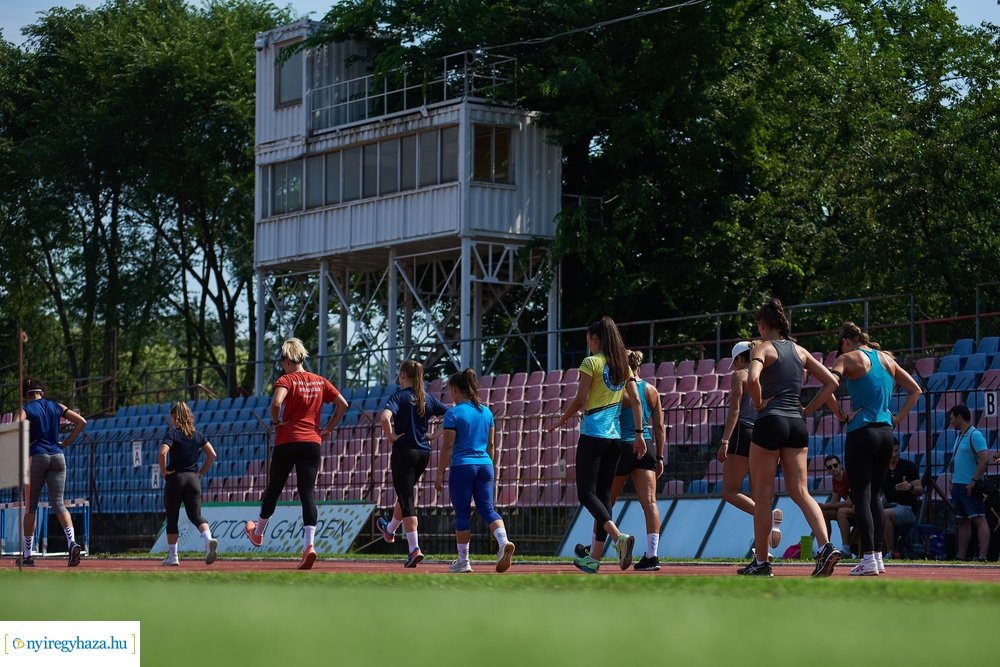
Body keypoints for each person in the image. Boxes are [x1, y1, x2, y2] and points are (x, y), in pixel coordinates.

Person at [741, 298, 841, 577]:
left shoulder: (763, 348)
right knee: (801, 492)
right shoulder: (800, 351)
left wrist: (758, 403)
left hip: (770, 421)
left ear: (763, 325)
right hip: (796, 423)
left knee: (762, 498)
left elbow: (752, 379)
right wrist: (808, 409)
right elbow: (832, 382)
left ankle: (762, 562)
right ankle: (825, 546)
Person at [548, 316, 645, 574]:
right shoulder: (622, 364)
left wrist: (560, 420)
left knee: (586, 494)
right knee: (603, 497)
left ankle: (618, 537)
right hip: (615, 439)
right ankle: (594, 559)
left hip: (593, 434)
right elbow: (636, 400)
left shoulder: (591, 362)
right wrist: (639, 434)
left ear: (595, 339)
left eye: (589, 341)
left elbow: (581, 399)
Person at [825, 322, 922, 575]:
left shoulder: (846, 358)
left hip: (862, 432)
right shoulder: (886, 358)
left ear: (845, 341)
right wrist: (897, 418)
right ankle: (877, 558)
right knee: (875, 498)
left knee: (861, 497)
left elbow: (828, 385)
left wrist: (840, 413)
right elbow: (916, 390)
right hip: (886, 433)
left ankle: (868, 558)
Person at [244, 338, 349, 569]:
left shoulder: (286, 379)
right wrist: (329, 428)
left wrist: (276, 423)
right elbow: (343, 404)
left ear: (286, 360)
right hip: (312, 441)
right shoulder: (320, 381)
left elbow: (276, 404)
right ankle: (309, 546)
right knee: (307, 493)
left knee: (274, 489)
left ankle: (258, 534)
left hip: (287, 440)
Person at [578, 350, 666, 571]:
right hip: (646, 445)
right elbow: (659, 427)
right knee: (650, 502)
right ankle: (652, 555)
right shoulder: (652, 390)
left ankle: (595, 552)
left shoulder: (620, 389)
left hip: (623, 445)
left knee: (605, 500)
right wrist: (660, 456)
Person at [433, 368, 515, 573]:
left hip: (462, 465)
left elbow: (448, 446)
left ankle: (464, 561)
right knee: (487, 509)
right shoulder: (486, 412)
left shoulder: (453, 414)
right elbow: (491, 444)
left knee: (462, 512)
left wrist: (439, 472)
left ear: (454, 389)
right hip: (485, 465)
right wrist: (490, 466)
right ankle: (503, 542)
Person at [375, 360, 449, 567]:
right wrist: (434, 434)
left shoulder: (399, 397)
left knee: (406, 498)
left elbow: (384, 418)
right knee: (404, 493)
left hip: (405, 452)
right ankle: (390, 529)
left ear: (403, 376)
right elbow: (452, 414)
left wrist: (391, 436)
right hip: (424, 453)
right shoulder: (427, 398)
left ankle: (414, 548)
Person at [718, 340, 780, 559]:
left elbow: (735, 410)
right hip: (763, 432)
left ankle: (766, 516)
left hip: (743, 432)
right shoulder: (765, 377)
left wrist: (725, 440)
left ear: (739, 359)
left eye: (734, 362)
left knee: (730, 491)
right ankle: (762, 551)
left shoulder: (740, 375)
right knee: (759, 495)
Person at [18, 378, 87, 567]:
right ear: (42, 392)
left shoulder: (25, 409)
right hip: (58, 456)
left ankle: (28, 555)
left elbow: (16, 427)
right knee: (59, 504)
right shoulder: (56, 406)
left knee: (31, 507)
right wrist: (66, 443)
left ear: (26, 394)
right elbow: (81, 422)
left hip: (37, 456)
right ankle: (72, 543)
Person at [158, 402, 219, 566]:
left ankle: (173, 557)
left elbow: (162, 452)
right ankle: (208, 540)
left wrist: (164, 472)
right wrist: (200, 473)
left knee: (172, 518)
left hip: (175, 478)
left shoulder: (172, 434)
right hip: (193, 479)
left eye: (171, 418)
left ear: (174, 417)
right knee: (196, 515)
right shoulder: (197, 435)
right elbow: (212, 454)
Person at [947, 404, 991, 562]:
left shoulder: (975, 435)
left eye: (952, 418)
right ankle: (961, 555)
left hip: (969, 485)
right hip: (959, 485)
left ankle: (982, 556)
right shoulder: (960, 436)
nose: (951, 421)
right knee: (962, 520)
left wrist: (974, 480)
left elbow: (984, 459)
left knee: (979, 518)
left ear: (959, 417)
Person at [881, 441, 922, 559]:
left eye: (896, 451)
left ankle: (890, 552)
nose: (894, 454)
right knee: (870, 513)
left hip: (908, 509)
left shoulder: (909, 466)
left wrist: (910, 487)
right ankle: (870, 552)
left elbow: (920, 490)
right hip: (889, 506)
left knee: (884, 514)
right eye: (891, 451)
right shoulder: (882, 469)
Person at [817, 454, 854, 556]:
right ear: (827, 471)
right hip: (851, 510)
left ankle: (846, 550)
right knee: (823, 513)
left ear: (840, 465)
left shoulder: (848, 476)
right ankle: (825, 547)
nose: (833, 469)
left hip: (860, 509)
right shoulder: (835, 480)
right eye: (830, 467)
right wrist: (821, 507)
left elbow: (849, 503)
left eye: (835, 465)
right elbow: (834, 501)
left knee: (841, 512)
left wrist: (825, 506)